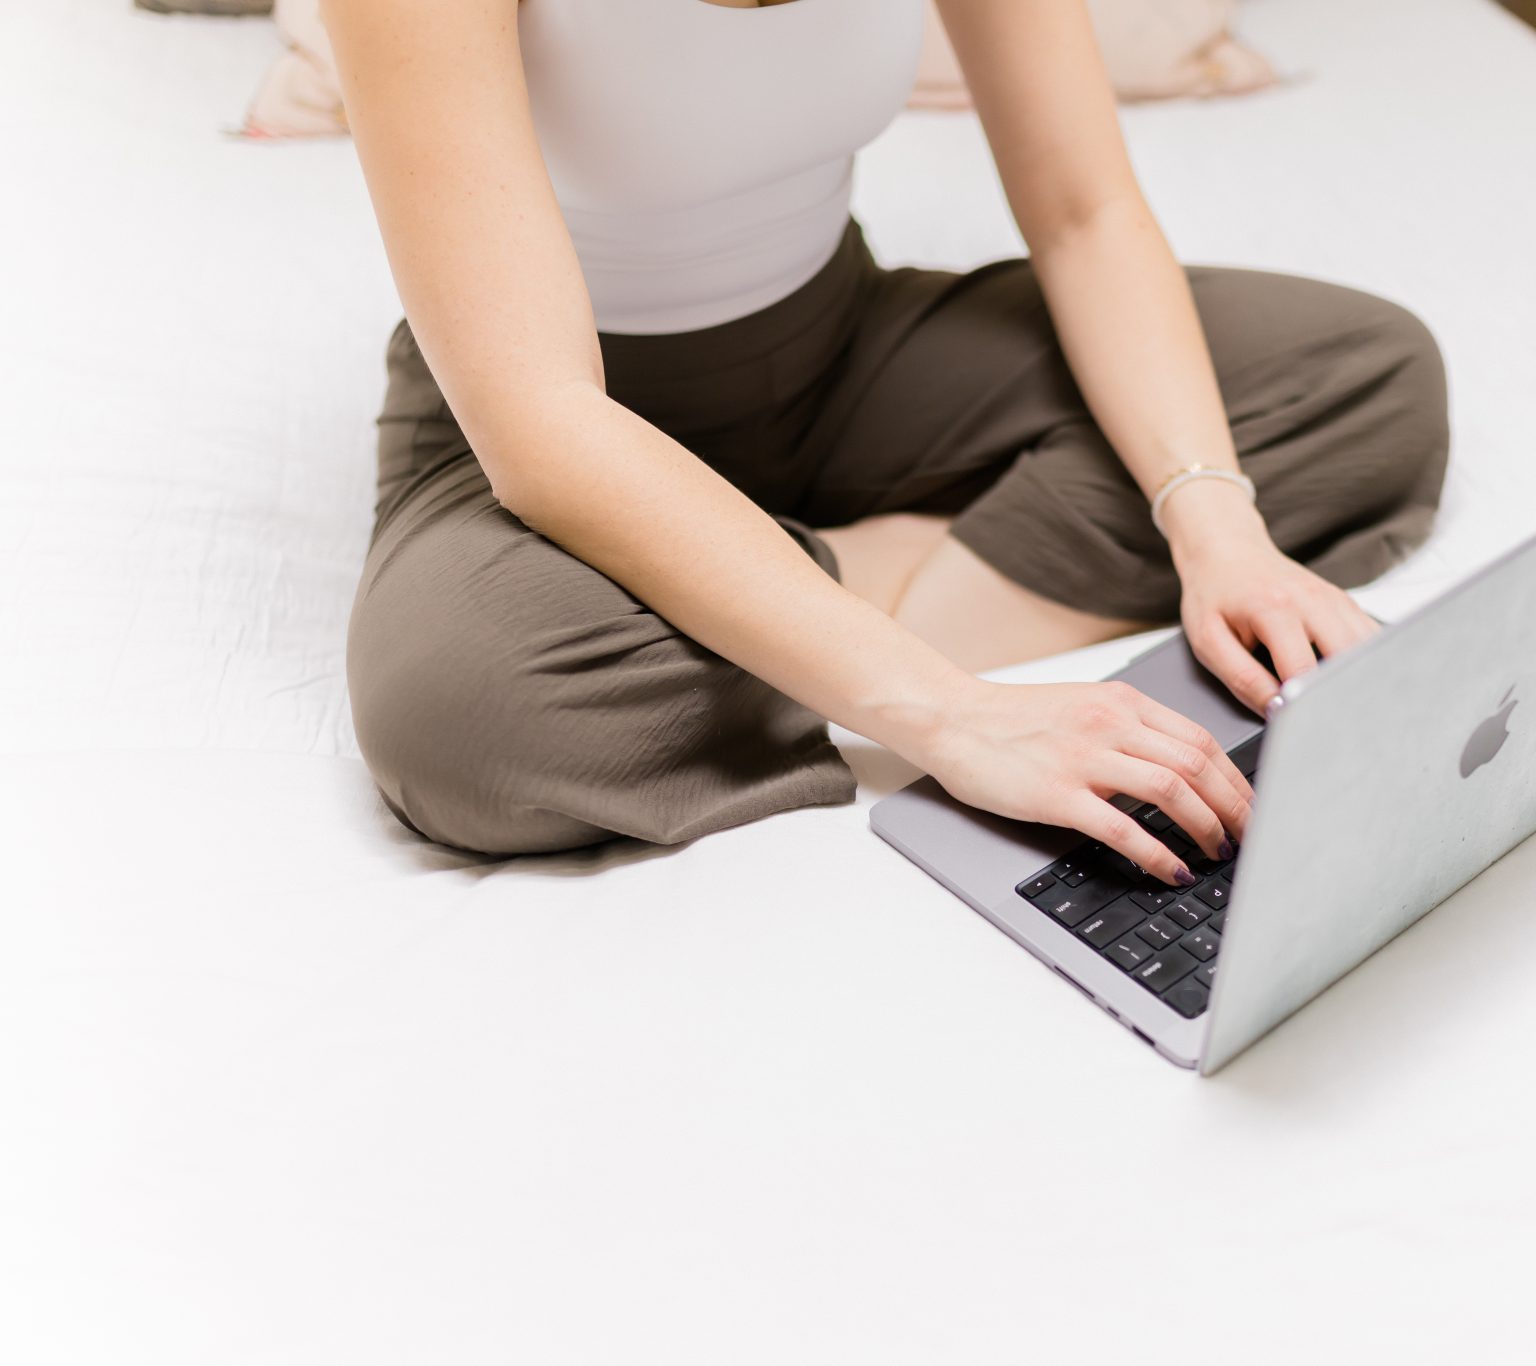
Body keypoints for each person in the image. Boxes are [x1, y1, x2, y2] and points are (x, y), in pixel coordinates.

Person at [330, 0, 1449, 884]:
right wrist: (952, 715)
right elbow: (541, 423)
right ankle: (851, 594)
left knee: (1358, 373)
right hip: (544, 420)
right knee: (461, 718)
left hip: (835, 348)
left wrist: (1215, 528)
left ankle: (791, 592)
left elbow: (1084, 212)